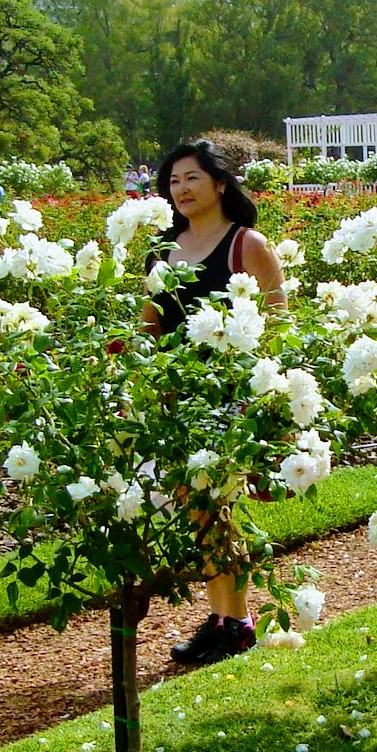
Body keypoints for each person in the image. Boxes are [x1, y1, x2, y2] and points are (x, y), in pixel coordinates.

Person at [142, 139, 289, 664]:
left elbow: (277, 324)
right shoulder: (161, 250)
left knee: (218, 506)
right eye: (173, 182)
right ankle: (223, 617)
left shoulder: (245, 245)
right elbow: (149, 325)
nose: (179, 189)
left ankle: (239, 621)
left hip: (232, 396)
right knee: (197, 510)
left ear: (220, 184)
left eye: (191, 179)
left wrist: (265, 402)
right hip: (179, 396)